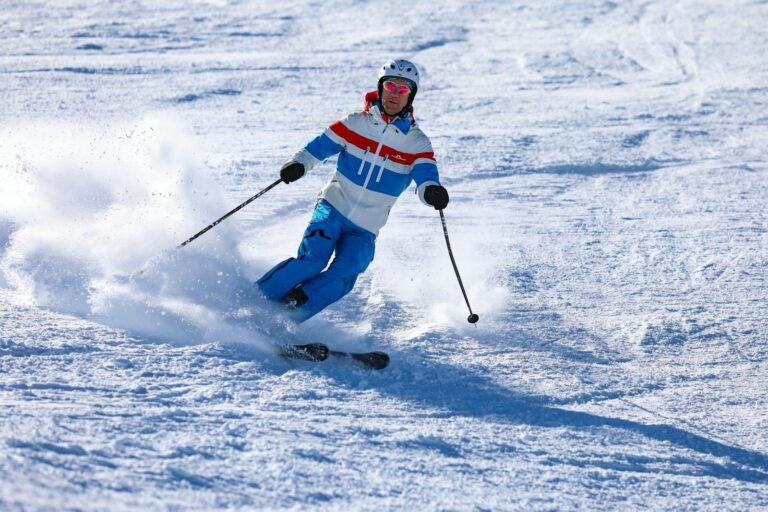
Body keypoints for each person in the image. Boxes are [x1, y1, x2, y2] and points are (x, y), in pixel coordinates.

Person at [256, 58, 449, 322]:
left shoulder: (416, 143)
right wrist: (297, 165)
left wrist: (432, 193)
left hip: (366, 227)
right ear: (380, 88)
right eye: (390, 86)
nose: (394, 94)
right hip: (333, 207)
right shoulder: (355, 123)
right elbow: (317, 148)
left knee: (346, 272)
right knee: (313, 260)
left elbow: (426, 180)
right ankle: (256, 299)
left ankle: (289, 316)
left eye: (403, 90)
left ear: (411, 95)